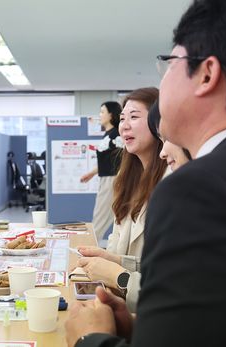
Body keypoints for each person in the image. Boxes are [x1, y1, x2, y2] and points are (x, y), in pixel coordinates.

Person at [66, 0, 226, 346]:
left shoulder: (202, 190)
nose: (164, 80)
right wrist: (140, 329)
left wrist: (89, 338)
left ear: (206, 74)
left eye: (170, 64)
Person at [76, 93, 167, 312]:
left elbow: (166, 279)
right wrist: (109, 259)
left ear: (160, 124)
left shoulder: (171, 186)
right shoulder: (128, 183)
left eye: (134, 117)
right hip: (122, 305)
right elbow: (136, 258)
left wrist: (116, 273)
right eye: (123, 118)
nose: (124, 126)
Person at [80, 101, 122, 240]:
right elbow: (108, 161)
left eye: (102, 111)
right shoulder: (109, 135)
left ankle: (90, 248)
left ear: (111, 115)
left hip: (113, 180)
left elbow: (123, 160)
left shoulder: (117, 134)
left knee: (100, 216)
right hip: (107, 179)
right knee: (108, 216)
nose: (100, 115)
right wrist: (91, 173)